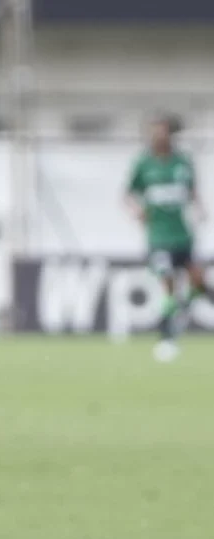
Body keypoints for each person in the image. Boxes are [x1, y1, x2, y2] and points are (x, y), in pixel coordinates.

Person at [125, 114, 205, 363]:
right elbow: (128, 194)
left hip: (182, 235)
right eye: (155, 131)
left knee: (197, 281)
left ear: (170, 134)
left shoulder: (182, 162)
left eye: (163, 131)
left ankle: (178, 316)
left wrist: (200, 208)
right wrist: (136, 210)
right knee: (169, 282)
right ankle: (166, 338)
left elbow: (191, 190)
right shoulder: (144, 164)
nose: (159, 136)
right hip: (158, 238)